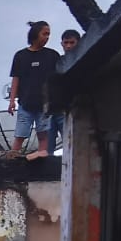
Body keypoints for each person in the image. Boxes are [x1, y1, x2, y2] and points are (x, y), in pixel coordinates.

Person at [7, 20, 59, 158]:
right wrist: (12, 101)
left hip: (45, 105)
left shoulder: (52, 55)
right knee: (20, 134)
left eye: (49, 34)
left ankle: (42, 158)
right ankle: (12, 160)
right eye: (44, 34)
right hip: (25, 103)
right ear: (36, 34)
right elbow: (15, 79)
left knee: (43, 134)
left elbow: (59, 79)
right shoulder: (21, 56)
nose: (47, 37)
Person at [44, 28, 80, 156]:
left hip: (71, 108)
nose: (68, 46)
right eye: (66, 43)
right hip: (54, 109)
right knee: (47, 146)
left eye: (72, 43)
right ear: (62, 44)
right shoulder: (58, 61)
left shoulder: (83, 60)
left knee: (70, 142)